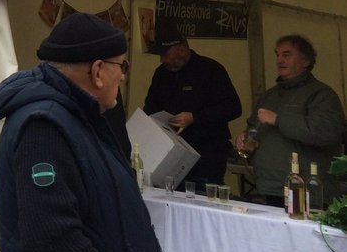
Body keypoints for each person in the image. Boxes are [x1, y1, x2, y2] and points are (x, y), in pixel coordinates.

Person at [0, 13, 161, 252]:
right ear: (97, 71)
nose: (122, 77)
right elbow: (54, 246)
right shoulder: (45, 127)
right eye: (121, 66)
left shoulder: (81, 117)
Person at [238, 35, 346, 208]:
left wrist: (278, 119)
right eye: (278, 55)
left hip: (308, 192)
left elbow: (325, 132)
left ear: (306, 61)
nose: (280, 60)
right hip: (269, 188)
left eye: (287, 55)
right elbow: (253, 127)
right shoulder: (269, 95)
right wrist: (244, 138)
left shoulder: (322, 95)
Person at [143, 23, 242, 190]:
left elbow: (233, 107)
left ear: (181, 49)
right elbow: (150, 108)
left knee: (203, 203)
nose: (162, 60)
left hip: (206, 156)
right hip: (170, 155)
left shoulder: (210, 70)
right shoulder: (161, 74)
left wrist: (194, 118)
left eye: (165, 54)